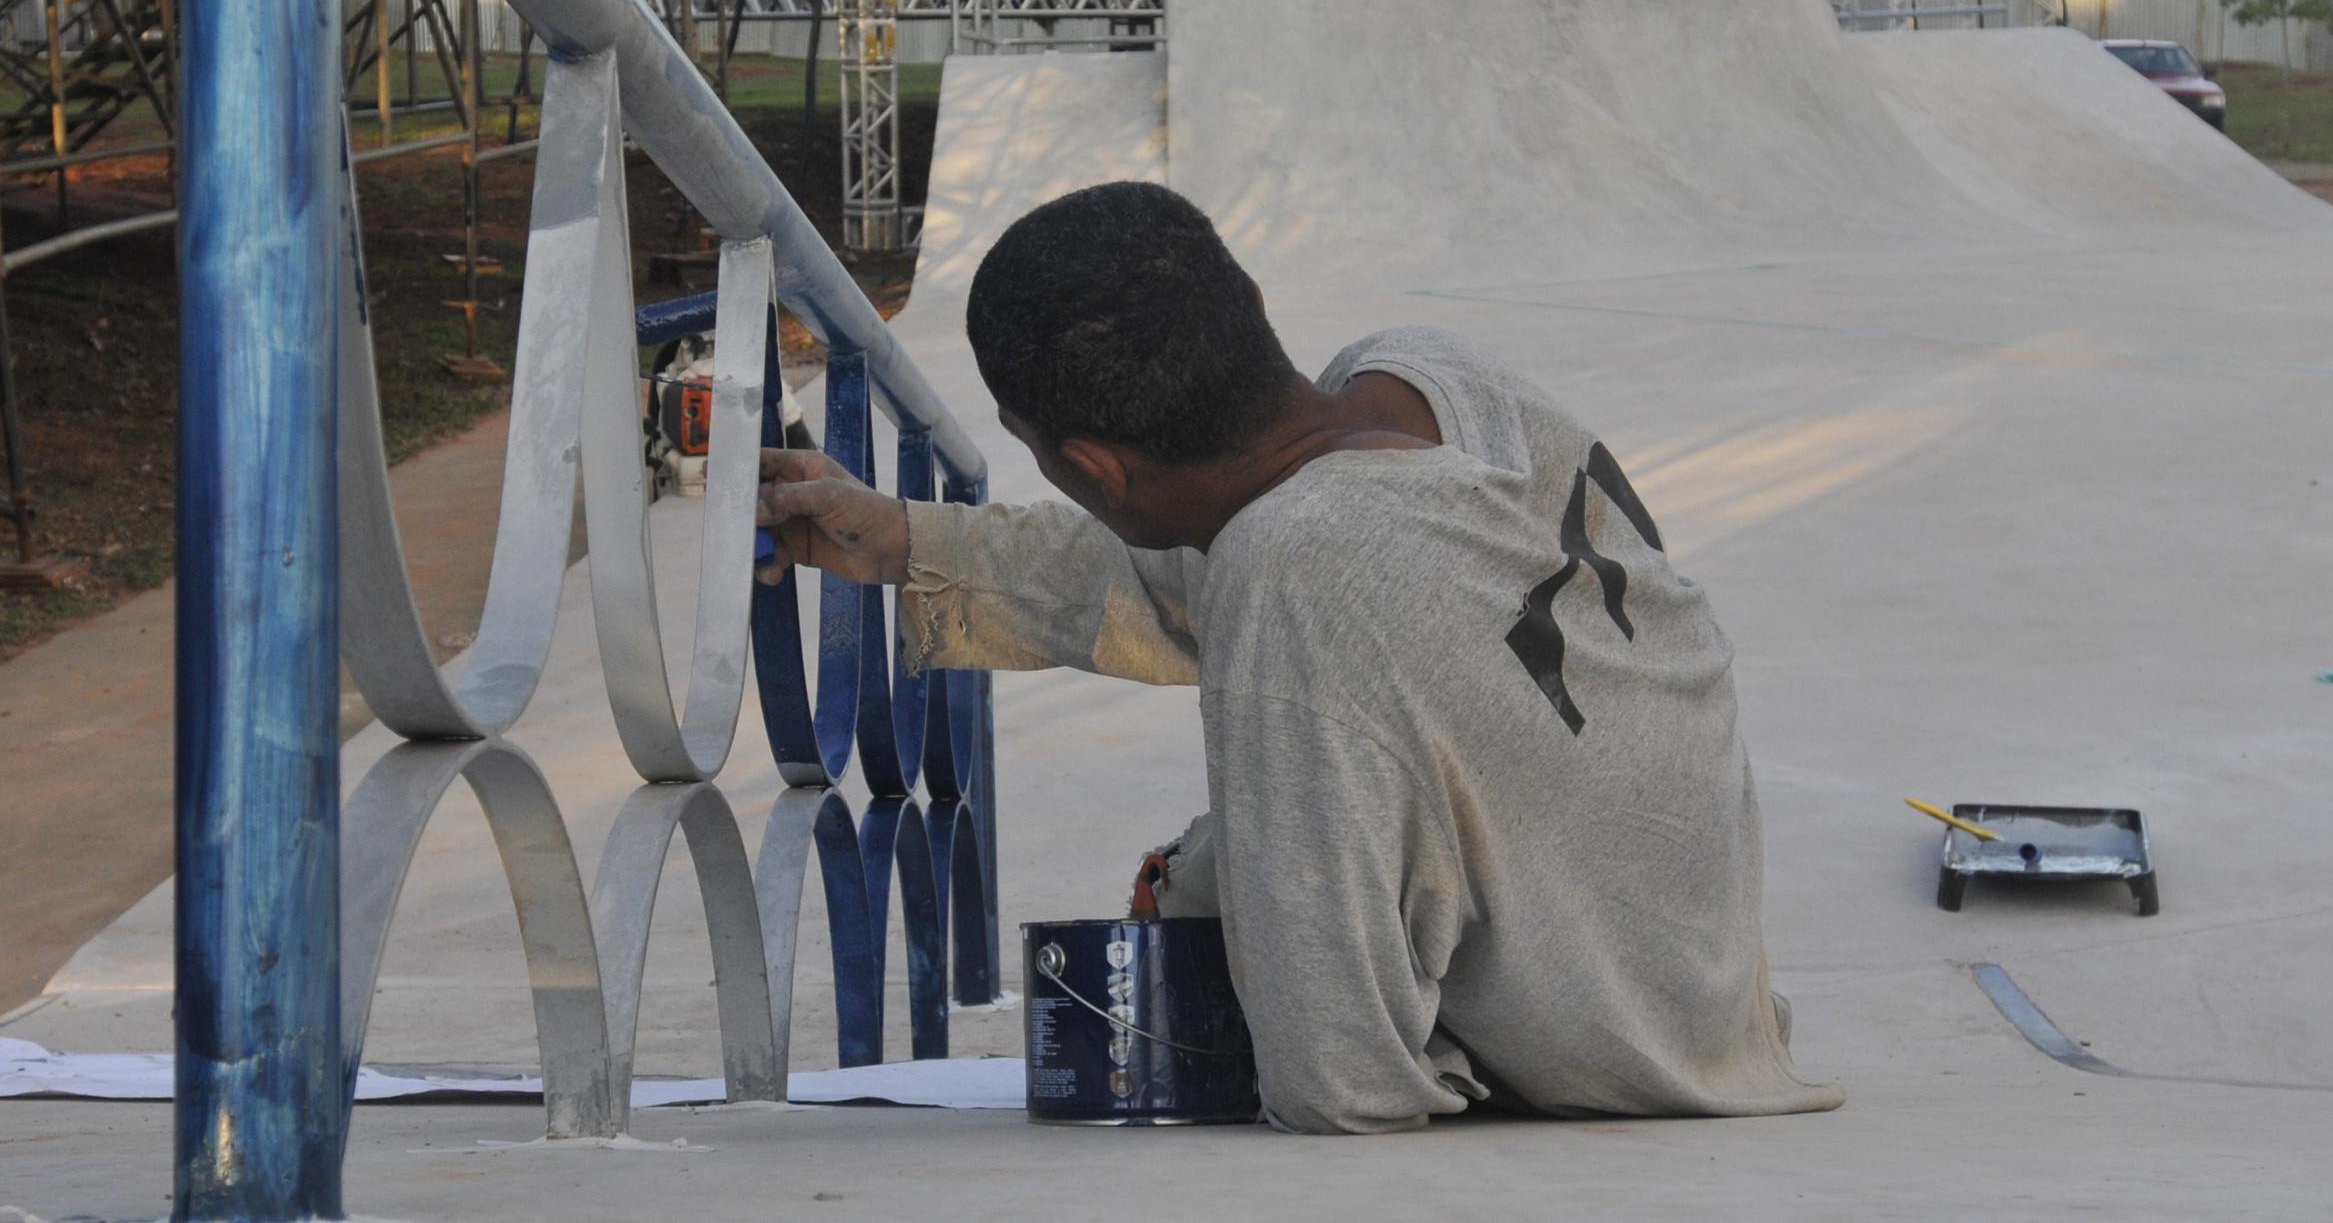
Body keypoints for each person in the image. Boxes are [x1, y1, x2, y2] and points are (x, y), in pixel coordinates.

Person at [754, 182, 1841, 1136]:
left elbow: (1339, 1079)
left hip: (1628, 1049)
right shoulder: (1420, 377)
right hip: (1703, 978)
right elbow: (1216, 567)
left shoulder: (1292, 572)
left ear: (1089, 461)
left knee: (1207, 875)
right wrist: (907, 539)